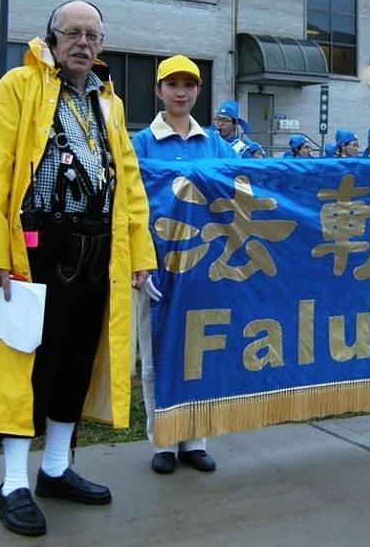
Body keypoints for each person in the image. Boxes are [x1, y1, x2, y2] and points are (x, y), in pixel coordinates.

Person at [0, 0, 156, 537]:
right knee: (26, 363)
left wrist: (139, 255)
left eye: (92, 35)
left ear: (102, 43)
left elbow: (130, 185)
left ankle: (55, 468)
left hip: (96, 250)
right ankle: (13, 484)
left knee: (76, 359)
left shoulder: (108, 103)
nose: (82, 43)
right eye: (71, 33)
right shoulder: (18, 87)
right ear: (51, 38)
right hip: (34, 249)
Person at [132, 54, 233, 475]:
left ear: (198, 91)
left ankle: (195, 439)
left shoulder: (215, 144)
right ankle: (164, 439)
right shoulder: (140, 143)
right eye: (172, 84)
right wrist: (139, 260)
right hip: (156, 263)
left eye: (188, 85)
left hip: (205, 265)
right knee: (157, 350)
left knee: (201, 348)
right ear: (159, 91)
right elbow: (130, 204)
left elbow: (240, 191)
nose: (180, 91)